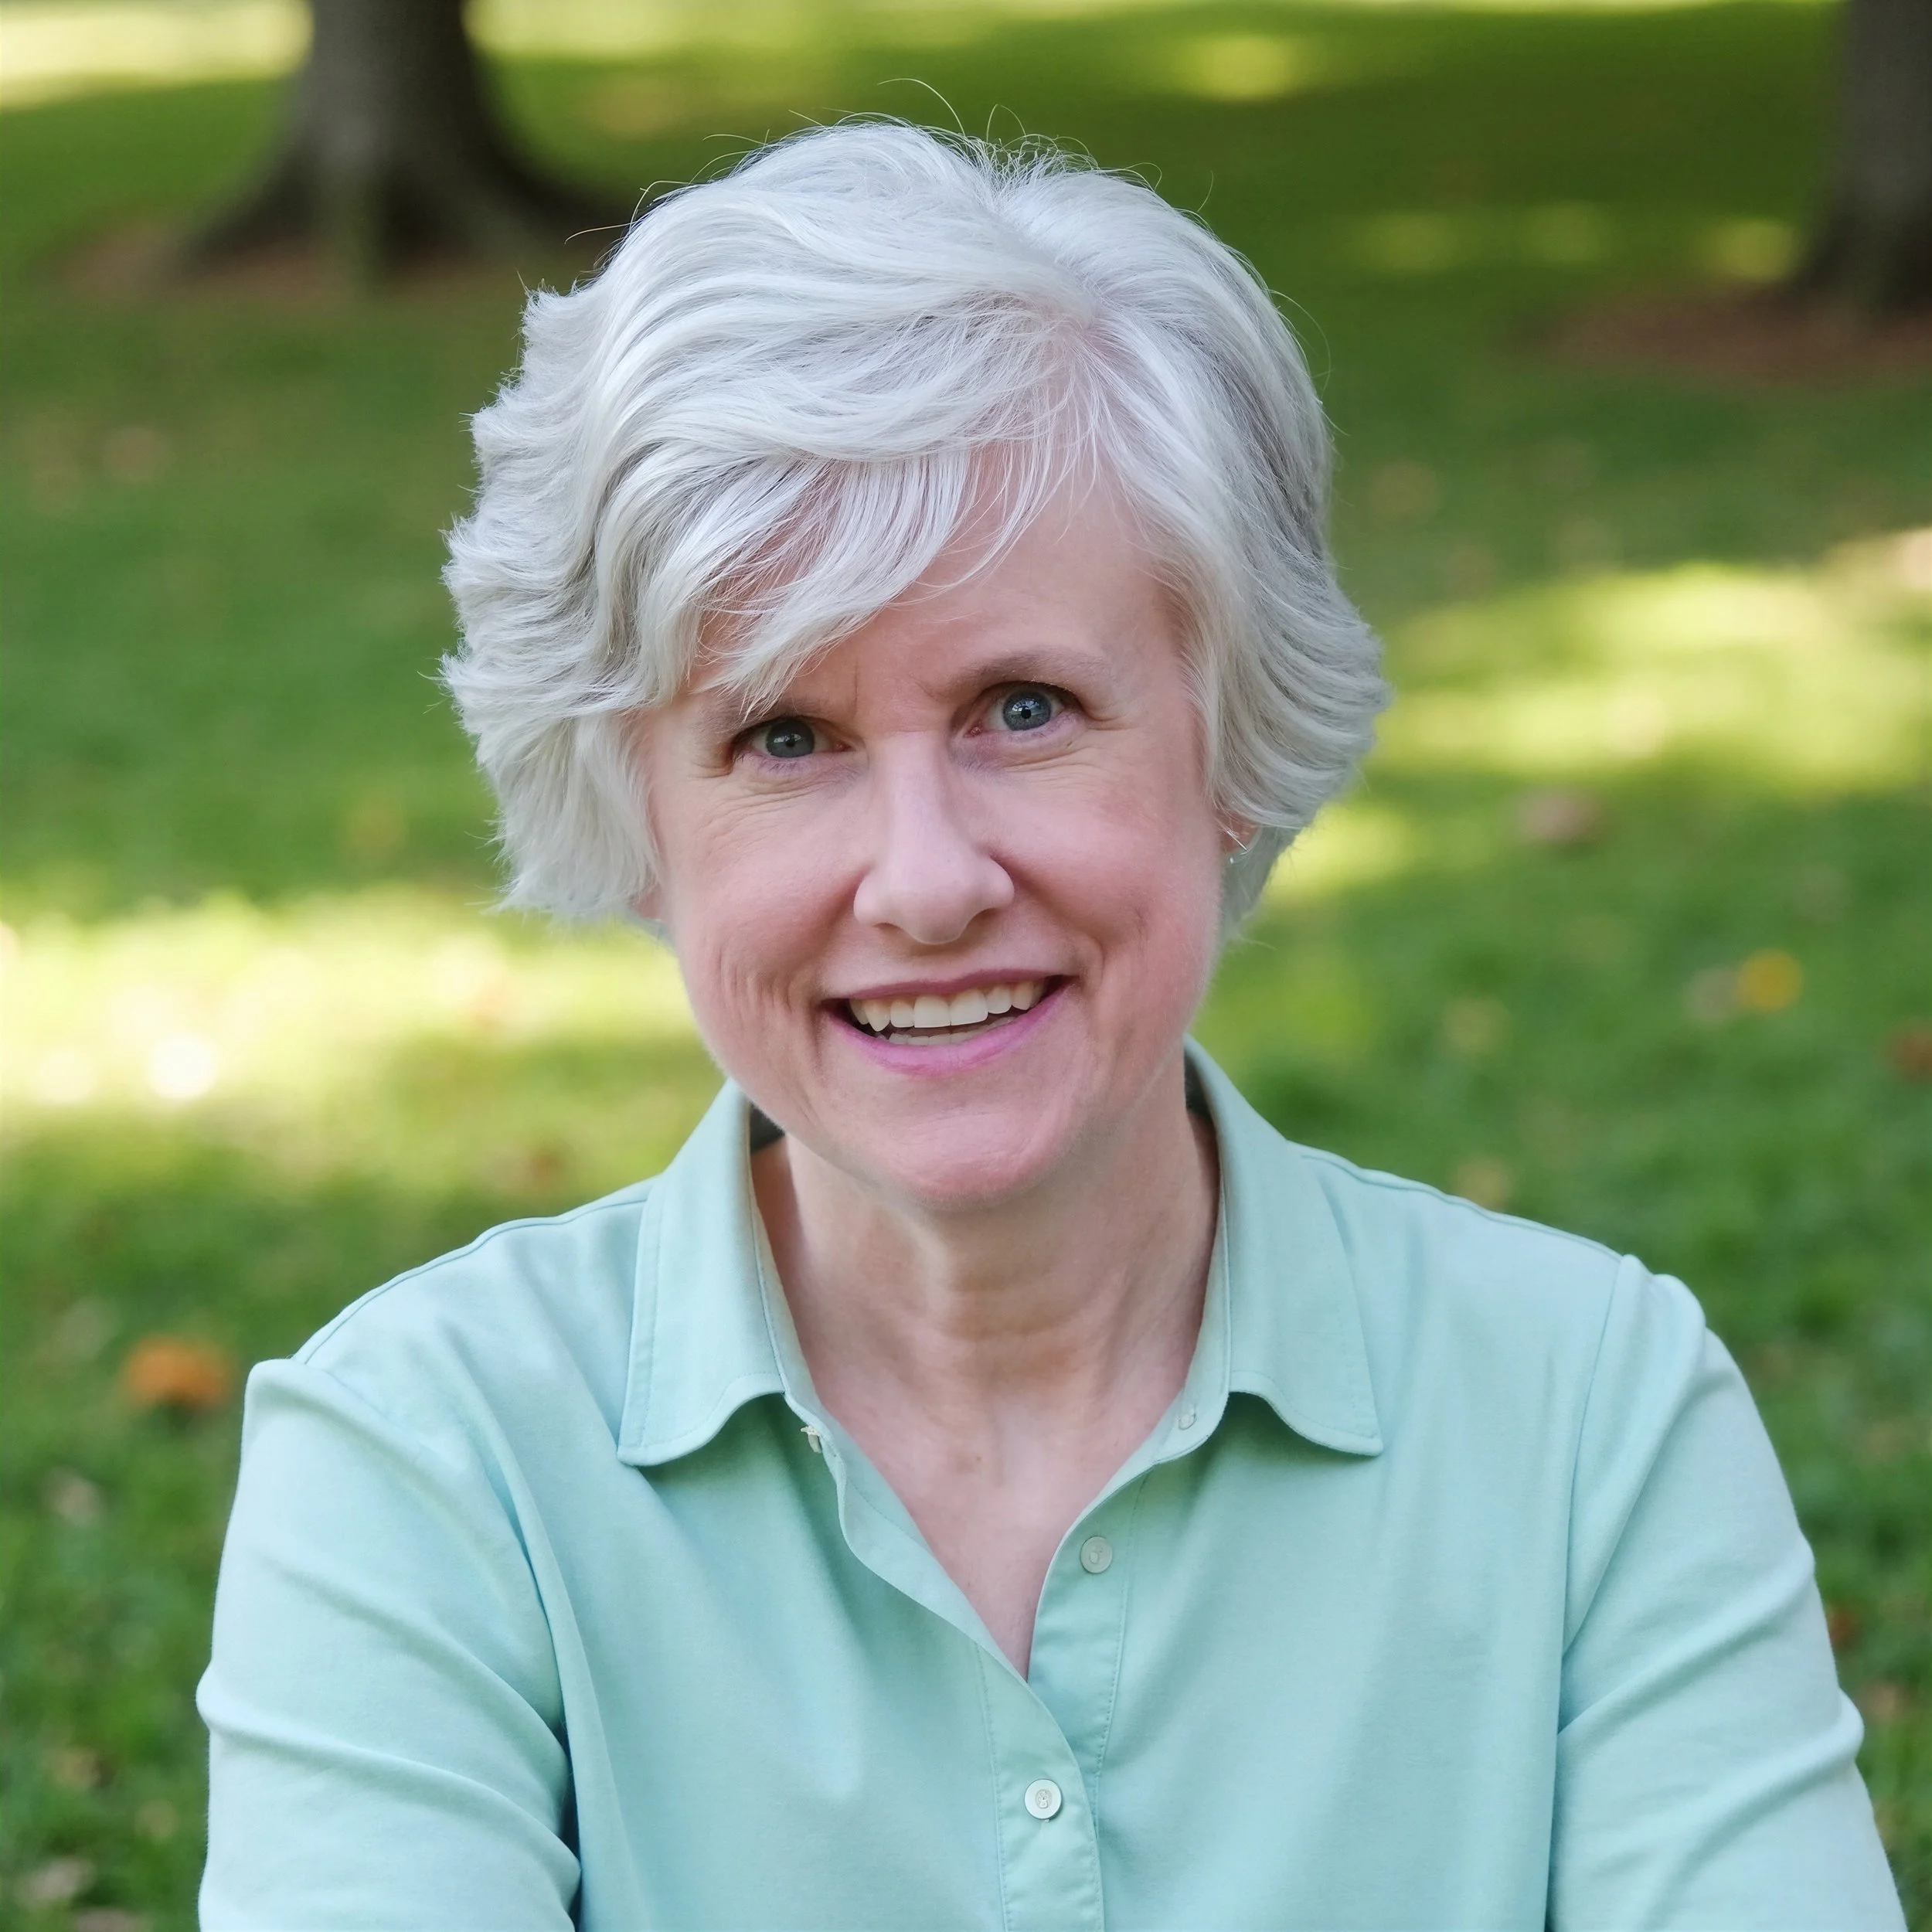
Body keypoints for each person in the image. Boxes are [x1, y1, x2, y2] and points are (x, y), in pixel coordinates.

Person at [199, 124, 1903, 1930]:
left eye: (1023, 705)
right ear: (636, 826)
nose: (924, 881)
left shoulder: (1587, 1417)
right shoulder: (425, 1462)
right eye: (784, 737)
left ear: (1230, 749)